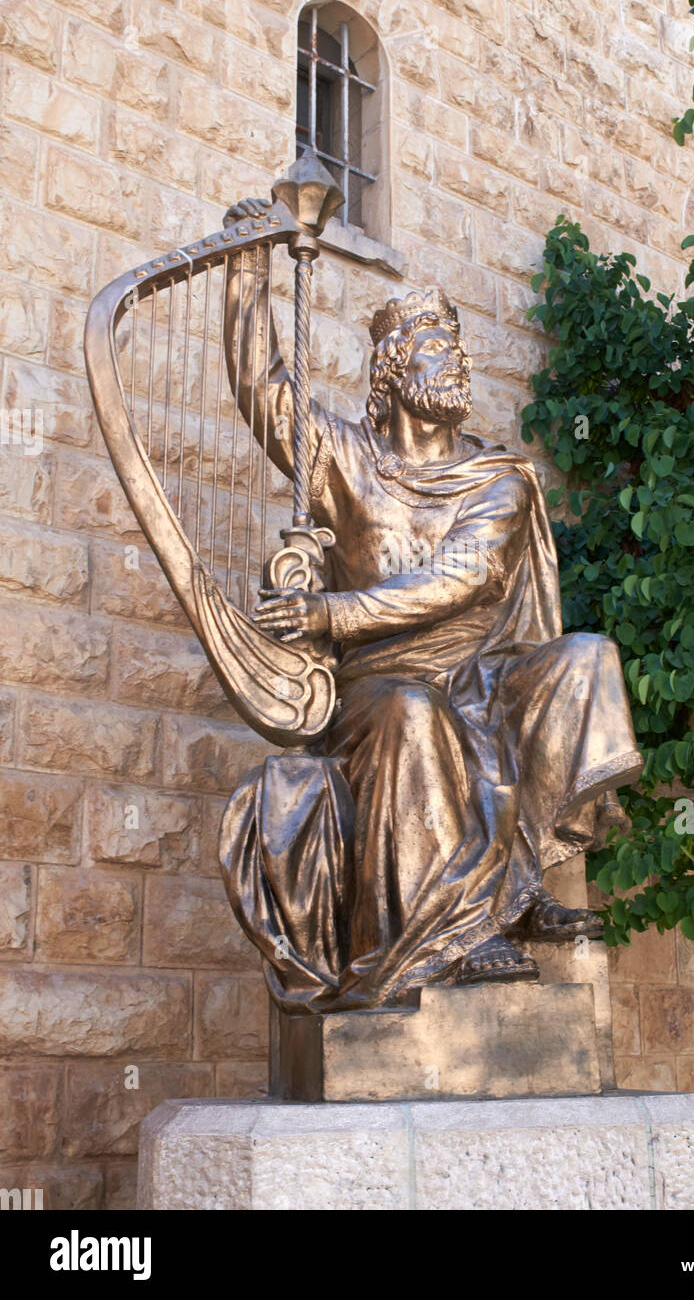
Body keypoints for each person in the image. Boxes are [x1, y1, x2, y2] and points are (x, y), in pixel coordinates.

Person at [218, 197, 643, 1014]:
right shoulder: (344, 459)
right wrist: (246, 271)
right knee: (412, 708)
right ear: (392, 371)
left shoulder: (499, 478)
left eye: (457, 348)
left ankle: (524, 890)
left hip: (486, 679)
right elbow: (262, 395)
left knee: (589, 657)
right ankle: (456, 929)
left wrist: (331, 616)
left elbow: (468, 578)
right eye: (435, 348)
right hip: (381, 688)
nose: (455, 363)